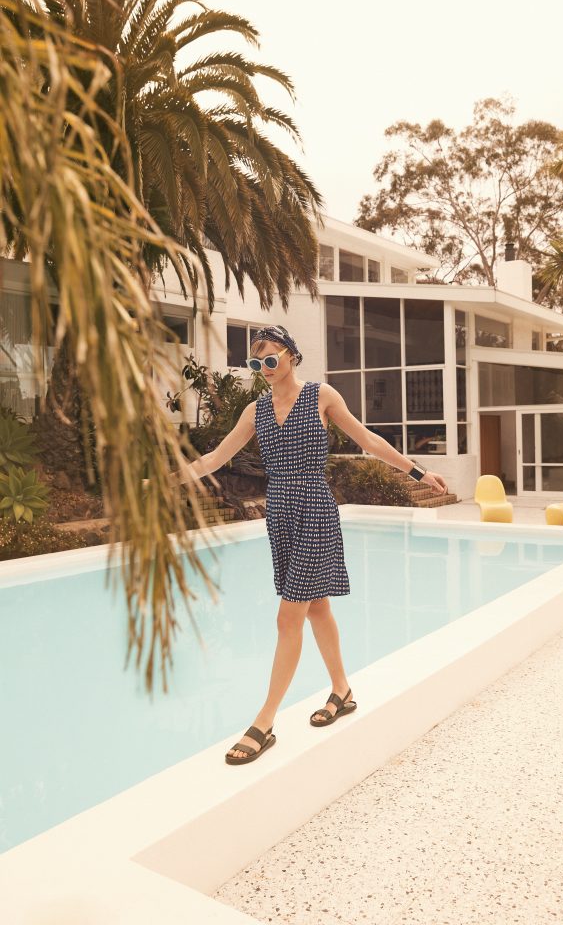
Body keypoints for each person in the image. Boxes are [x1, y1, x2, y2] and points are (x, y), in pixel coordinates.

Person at [158, 324, 448, 765]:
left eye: (271, 360)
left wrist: (418, 472)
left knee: (289, 614)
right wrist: (168, 479)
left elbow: (368, 441)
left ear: (292, 356)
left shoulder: (322, 396)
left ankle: (264, 721)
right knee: (317, 607)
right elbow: (216, 457)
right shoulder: (255, 411)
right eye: (257, 364)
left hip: (314, 506)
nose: (264, 370)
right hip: (280, 512)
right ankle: (342, 691)